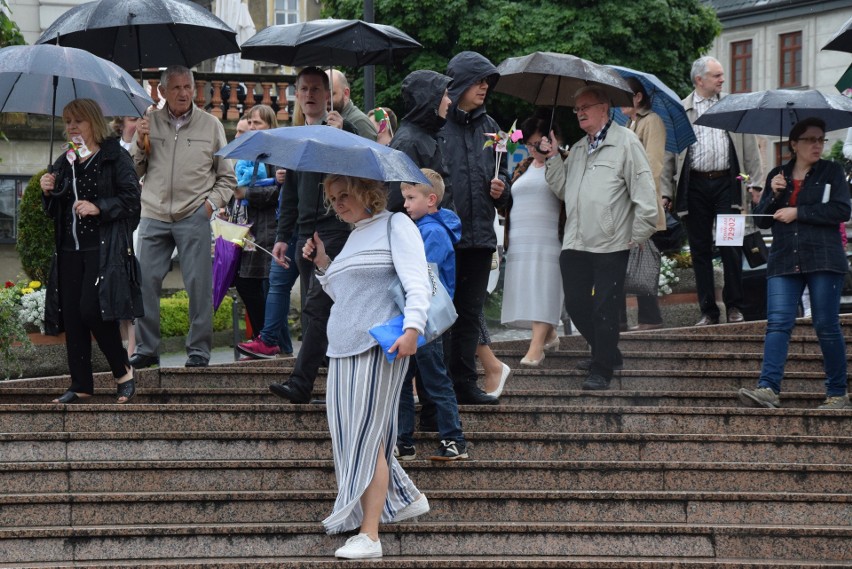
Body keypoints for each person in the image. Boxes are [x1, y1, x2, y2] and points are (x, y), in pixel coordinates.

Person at [302, 175, 431, 559]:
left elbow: (418, 282)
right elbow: (346, 294)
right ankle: (403, 498)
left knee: (365, 439)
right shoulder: (356, 234)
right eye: (332, 198)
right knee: (350, 438)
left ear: (366, 193)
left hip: (379, 345)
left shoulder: (397, 224)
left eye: (344, 196)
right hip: (341, 349)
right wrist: (323, 264)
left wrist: (413, 329)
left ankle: (370, 535)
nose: (337, 204)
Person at [541, 86, 658, 391]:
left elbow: (644, 189)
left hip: (612, 241)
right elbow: (565, 191)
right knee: (578, 304)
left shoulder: (626, 142)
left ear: (604, 108)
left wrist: (639, 233)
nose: (580, 112)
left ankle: (602, 366)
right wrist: (553, 158)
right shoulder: (579, 148)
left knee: (605, 308)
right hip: (576, 241)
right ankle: (609, 352)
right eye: (576, 108)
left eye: (585, 107)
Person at [738, 118, 851, 411]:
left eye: (821, 139)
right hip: (785, 258)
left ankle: (838, 394)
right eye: (810, 140)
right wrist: (772, 195)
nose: (817, 145)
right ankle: (768, 389)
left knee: (826, 324)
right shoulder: (778, 174)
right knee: (777, 323)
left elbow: (841, 209)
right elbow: (762, 219)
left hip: (824, 257)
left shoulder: (832, 171)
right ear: (794, 144)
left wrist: (798, 212)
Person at [131, 65, 236, 368]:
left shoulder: (211, 125)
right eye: (175, 88)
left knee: (198, 284)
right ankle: (147, 349)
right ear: (162, 91)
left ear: (195, 89)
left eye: (187, 87)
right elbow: (133, 172)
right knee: (145, 281)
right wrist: (139, 143)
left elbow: (227, 178)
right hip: (153, 212)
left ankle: (199, 350)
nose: (183, 93)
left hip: (194, 213)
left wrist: (208, 206)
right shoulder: (148, 122)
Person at [40, 99, 142, 403]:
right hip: (69, 249)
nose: (72, 127)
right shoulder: (67, 160)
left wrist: (99, 207)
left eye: (79, 121)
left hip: (102, 248)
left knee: (91, 309)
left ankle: (123, 371)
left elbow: (131, 200)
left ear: (94, 123)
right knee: (72, 315)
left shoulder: (114, 157)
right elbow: (55, 209)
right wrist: (48, 190)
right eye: (68, 121)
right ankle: (81, 384)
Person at [266, 67, 358, 401]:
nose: (309, 95)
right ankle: (332, 373)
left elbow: (360, 174)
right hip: (305, 232)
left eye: (316, 89)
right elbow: (289, 193)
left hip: (335, 228)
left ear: (328, 94)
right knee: (313, 308)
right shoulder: (294, 137)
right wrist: (281, 235)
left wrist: (341, 137)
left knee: (318, 307)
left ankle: (302, 382)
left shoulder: (343, 130)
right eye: (303, 89)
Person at [661, 56, 763, 326]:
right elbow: (669, 155)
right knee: (700, 250)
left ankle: (735, 307)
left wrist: (755, 183)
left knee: (731, 245)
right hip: (693, 187)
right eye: (717, 76)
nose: (722, 80)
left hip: (728, 187)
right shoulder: (680, 111)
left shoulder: (732, 107)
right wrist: (665, 192)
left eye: (721, 75)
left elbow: (750, 148)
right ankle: (708, 311)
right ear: (699, 80)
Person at [441, 51, 511, 405]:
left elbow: (505, 183)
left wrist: (502, 191)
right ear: (461, 83)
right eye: (479, 80)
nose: (485, 86)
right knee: (442, 314)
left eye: (488, 81)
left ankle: (465, 384)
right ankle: (438, 388)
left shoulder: (494, 129)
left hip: (481, 238)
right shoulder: (437, 126)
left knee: (469, 315)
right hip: (445, 240)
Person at [396, 169, 468, 461]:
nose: (405, 204)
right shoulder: (422, 228)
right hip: (415, 315)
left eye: (411, 198)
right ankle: (403, 440)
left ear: (431, 199)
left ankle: (454, 438)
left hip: (428, 317)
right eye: (404, 198)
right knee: (403, 381)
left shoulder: (433, 231)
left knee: (434, 378)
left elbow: (425, 273)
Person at [500, 115, 564, 366]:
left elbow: (566, 192)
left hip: (548, 237)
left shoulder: (563, 161)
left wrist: (554, 156)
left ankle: (536, 348)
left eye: (536, 142)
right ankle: (549, 334)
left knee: (544, 287)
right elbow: (509, 201)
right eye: (528, 143)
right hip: (520, 239)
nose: (532, 148)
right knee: (528, 287)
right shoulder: (523, 166)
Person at [230, 105, 285, 338]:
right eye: (250, 123)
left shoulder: (277, 154)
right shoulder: (247, 154)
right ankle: (262, 337)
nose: (252, 127)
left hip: (267, 229)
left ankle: (270, 340)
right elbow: (237, 188)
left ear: (270, 126)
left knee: (261, 286)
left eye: (258, 123)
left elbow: (279, 192)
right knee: (244, 283)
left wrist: (247, 195)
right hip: (246, 229)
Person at [617, 77, 668, 330]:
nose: (618, 103)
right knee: (625, 263)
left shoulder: (652, 122)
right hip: (626, 206)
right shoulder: (629, 123)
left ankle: (650, 319)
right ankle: (624, 320)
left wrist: (634, 193)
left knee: (644, 262)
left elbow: (654, 165)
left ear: (638, 97)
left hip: (643, 207)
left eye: (624, 95)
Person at [387, 70, 454, 213]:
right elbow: (400, 201)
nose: (449, 101)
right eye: (445, 95)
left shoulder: (424, 136)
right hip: (424, 232)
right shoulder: (409, 142)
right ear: (430, 100)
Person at [326, 69, 378, 141]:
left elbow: (370, 151)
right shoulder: (326, 119)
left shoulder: (360, 122)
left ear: (346, 93)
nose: (326, 99)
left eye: (331, 94)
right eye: (323, 94)